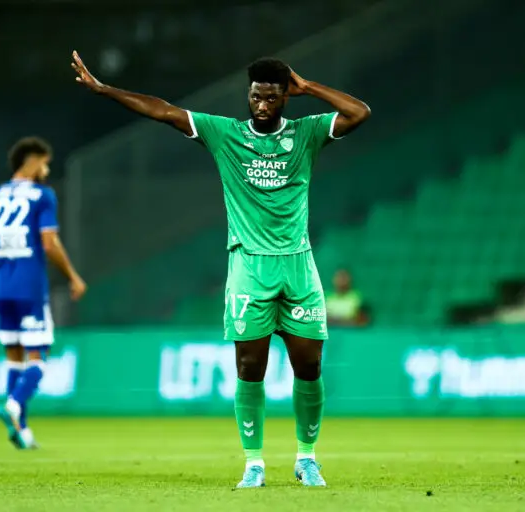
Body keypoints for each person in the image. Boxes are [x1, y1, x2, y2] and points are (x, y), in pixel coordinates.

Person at [71, 51, 370, 487]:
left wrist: (308, 87)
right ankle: (254, 463)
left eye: (271, 97)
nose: (262, 105)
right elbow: (164, 111)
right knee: (250, 367)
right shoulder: (225, 133)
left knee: (309, 366)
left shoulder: (306, 133)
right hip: (249, 267)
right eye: (255, 96)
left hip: (298, 268)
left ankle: (306, 458)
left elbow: (359, 113)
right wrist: (104, 89)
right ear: (248, 95)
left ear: (285, 98)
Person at [0, 137, 87, 449]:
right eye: (45, 163)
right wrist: (73, 277)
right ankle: (13, 405)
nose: (47, 170)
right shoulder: (42, 196)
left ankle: (21, 431)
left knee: (14, 357)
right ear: (33, 161)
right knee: (38, 356)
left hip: (2, 289)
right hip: (30, 288)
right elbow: (50, 243)